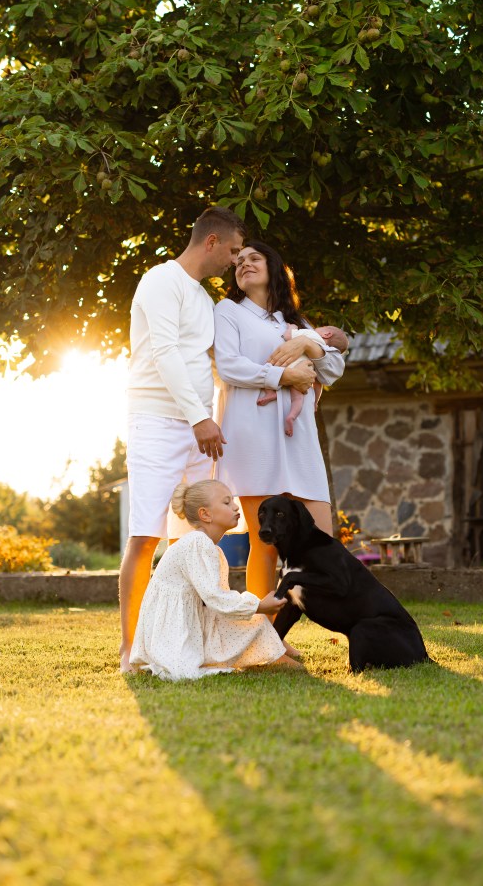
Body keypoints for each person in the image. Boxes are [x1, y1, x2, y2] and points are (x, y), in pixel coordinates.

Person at [119, 207, 246, 673]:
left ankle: (183, 642)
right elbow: (165, 352)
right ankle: (130, 648)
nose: (234, 260)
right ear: (211, 241)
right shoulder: (160, 280)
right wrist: (199, 418)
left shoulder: (204, 298)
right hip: (158, 422)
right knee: (146, 535)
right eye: (232, 250)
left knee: (195, 540)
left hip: (200, 430)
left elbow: (217, 358)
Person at [213, 241, 346, 603]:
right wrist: (283, 376)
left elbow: (334, 368)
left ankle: (336, 618)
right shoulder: (228, 311)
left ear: (273, 267)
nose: (244, 264)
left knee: (321, 538)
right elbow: (229, 366)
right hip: (253, 437)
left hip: (298, 440)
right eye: (239, 261)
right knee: (266, 544)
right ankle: (263, 630)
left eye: (254, 258)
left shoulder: (295, 322)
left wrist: (307, 346)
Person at [128, 480, 302, 679]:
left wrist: (253, 610)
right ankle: (275, 658)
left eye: (233, 501)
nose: (235, 506)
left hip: (193, 620)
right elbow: (215, 597)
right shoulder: (198, 543)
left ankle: (273, 656)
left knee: (254, 622)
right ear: (205, 514)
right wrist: (259, 605)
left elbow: (216, 600)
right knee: (253, 618)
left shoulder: (208, 546)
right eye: (227, 503)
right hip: (172, 629)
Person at [257, 324, 349, 436]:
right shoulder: (321, 351)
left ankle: (270, 393)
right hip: (304, 374)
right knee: (298, 399)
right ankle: (292, 416)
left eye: (322, 327)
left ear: (327, 334)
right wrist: (315, 402)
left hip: (286, 365)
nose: (316, 328)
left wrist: (292, 327)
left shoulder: (310, 334)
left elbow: (287, 336)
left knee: (269, 369)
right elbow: (318, 383)